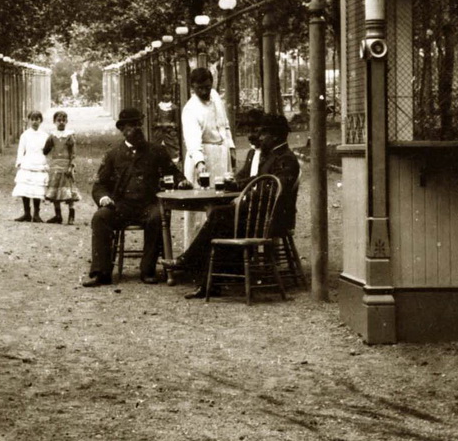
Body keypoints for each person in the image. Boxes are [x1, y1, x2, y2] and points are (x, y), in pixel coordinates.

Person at [163, 112, 300, 298]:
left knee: (220, 218)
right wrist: (237, 185)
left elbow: (273, 190)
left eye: (263, 134)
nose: (259, 137)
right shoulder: (273, 156)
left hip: (272, 219)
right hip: (259, 215)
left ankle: (193, 267)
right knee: (220, 219)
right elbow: (256, 180)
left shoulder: (287, 159)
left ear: (274, 135)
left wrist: (245, 195)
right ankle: (209, 279)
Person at [83, 106, 187, 287]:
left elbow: (175, 173)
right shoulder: (113, 154)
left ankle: (147, 270)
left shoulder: (156, 151)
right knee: (100, 217)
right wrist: (104, 199)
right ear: (122, 130)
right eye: (131, 126)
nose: (137, 129)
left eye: (139, 124)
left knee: (158, 217)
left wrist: (182, 182)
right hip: (121, 206)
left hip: (149, 204)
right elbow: (99, 184)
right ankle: (102, 272)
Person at [181, 66, 235, 187]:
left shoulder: (215, 96)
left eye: (207, 87)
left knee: (223, 192)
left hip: (222, 154)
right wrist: (200, 162)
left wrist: (231, 147)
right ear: (192, 87)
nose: (204, 92)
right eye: (199, 88)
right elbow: (192, 140)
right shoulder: (190, 109)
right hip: (204, 157)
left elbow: (225, 124)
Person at [13, 110, 51, 222]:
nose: (35, 122)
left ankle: (36, 214)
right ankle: (27, 213)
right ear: (29, 121)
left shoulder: (45, 135)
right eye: (33, 119)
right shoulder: (25, 135)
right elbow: (21, 149)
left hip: (39, 161)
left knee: (37, 187)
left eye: (37, 119)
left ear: (41, 121)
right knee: (26, 187)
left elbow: (47, 151)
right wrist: (19, 161)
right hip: (28, 161)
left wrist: (47, 161)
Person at [45, 110, 80, 224]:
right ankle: (58, 215)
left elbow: (73, 153)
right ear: (54, 122)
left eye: (63, 120)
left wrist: (71, 166)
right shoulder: (52, 136)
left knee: (68, 191)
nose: (61, 123)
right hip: (55, 166)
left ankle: (71, 215)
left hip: (66, 166)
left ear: (67, 121)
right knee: (55, 190)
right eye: (58, 120)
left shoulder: (70, 136)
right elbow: (46, 149)